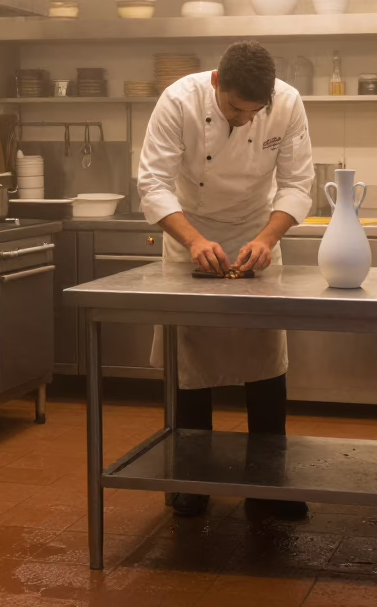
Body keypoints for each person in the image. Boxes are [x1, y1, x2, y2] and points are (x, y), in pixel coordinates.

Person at [137, 39, 315, 518]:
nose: (244, 120)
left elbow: (298, 185)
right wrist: (195, 241)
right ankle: (191, 483)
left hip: (258, 231)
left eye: (255, 111)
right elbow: (152, 185)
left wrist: (267, 239)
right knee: (191, 365)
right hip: (189, 229)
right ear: (217, 83)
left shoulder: (289, 104)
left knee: (266, 362)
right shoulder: (179, 101)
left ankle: (269, 488)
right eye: (236, 108)